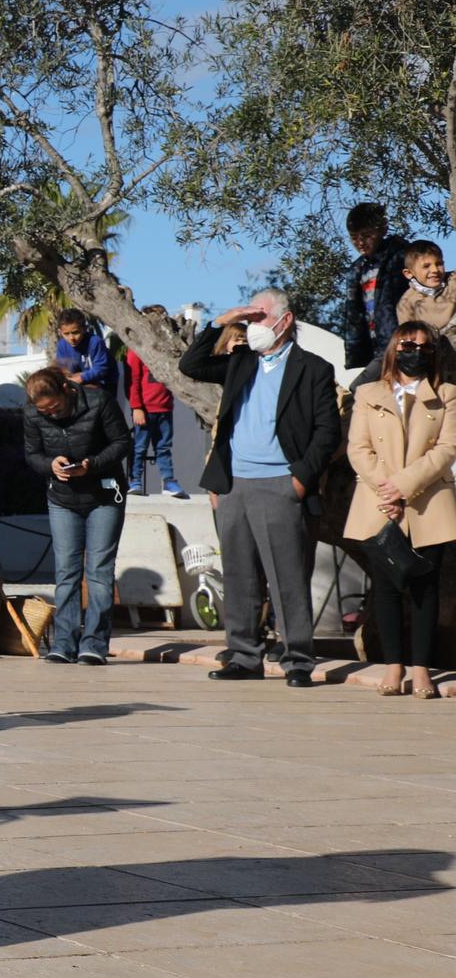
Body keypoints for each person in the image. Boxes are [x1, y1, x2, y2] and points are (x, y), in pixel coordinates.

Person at [179, 289, 340, 688]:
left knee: (287, 576)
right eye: (248, 320)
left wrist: (299, 479)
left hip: (281, 484)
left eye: (260, 318)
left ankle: (298, 659)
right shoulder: (240, 362)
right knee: (239, 575)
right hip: (234, 484)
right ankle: (244, 655)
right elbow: (191, 365)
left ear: (284, 322)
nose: (253, 327)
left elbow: (327, 431)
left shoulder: (313, 369)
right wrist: (222, 320)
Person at [345, 323, 456, 699]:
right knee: (387, 589)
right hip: (379, 504)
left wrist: (404, 486)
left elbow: (446, 449)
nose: (416, 352)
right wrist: (386, 488)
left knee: (425, 590)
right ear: (395, 348)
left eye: (425, 347)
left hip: (428, 504)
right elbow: (358, 448)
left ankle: (422, 670)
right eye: (409, 344)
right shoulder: (368, 393)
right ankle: (393, 667)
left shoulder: (448, 394)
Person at [23, 367, 131, 664]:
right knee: (66, 572)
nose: (52, 414)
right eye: (44, 411)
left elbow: (122, 442)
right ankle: (63, 643)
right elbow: (32, 454)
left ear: (66, 389)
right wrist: (50, 464)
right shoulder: (33, 414)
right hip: (62, 498)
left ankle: (94, 644)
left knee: (98, 571)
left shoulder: (99, 402)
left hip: (104, 496)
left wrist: (91, 464)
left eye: (55, 407)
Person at [124, 310, 186, 497]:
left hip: (164, 408)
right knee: (139, 447)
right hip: (144, 409)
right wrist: (136, 407)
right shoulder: (137, 349)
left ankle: (168, 481)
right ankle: (135, 481)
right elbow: (132, 380)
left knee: (163, 447)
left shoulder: (169, 348)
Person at [342, 202, 409, 371]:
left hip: (403, 343)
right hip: (375, 349)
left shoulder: (402, 257)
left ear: (382, 230)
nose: (360, 242)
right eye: (354, 237)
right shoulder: (356, 270)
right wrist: (355, 356)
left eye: (366, 235)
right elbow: (354, 316)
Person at [394, 240, 456, 368]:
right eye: (426, 266)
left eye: (439, 264)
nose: (434, 270)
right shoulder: (407, 303)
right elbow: (409, 339)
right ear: (409, 273)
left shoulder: (452, 284)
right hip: (436, 359)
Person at [54, 308, 118, 398]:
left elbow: (101, 369)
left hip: (105, 384)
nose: (71, 337)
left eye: (75, 332)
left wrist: (81, 378)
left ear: (84, 329)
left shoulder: (95, 342)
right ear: (60, 332)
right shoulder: (62, 345)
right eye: (66, 334)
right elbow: (62, 370)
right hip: (78, 384)